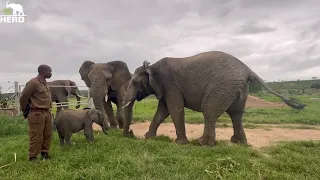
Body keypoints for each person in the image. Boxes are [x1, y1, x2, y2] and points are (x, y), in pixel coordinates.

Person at [19, 64, 53, 161]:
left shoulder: (45, 83)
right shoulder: (33, 83)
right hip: (37, 113)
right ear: (43, 72)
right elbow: (23, 98)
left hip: (47, 113)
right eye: (49, 71)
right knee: (36, 135)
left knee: (48, 134)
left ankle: (45, 154)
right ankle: (33, 157)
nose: (51, 74)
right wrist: (25, 110)